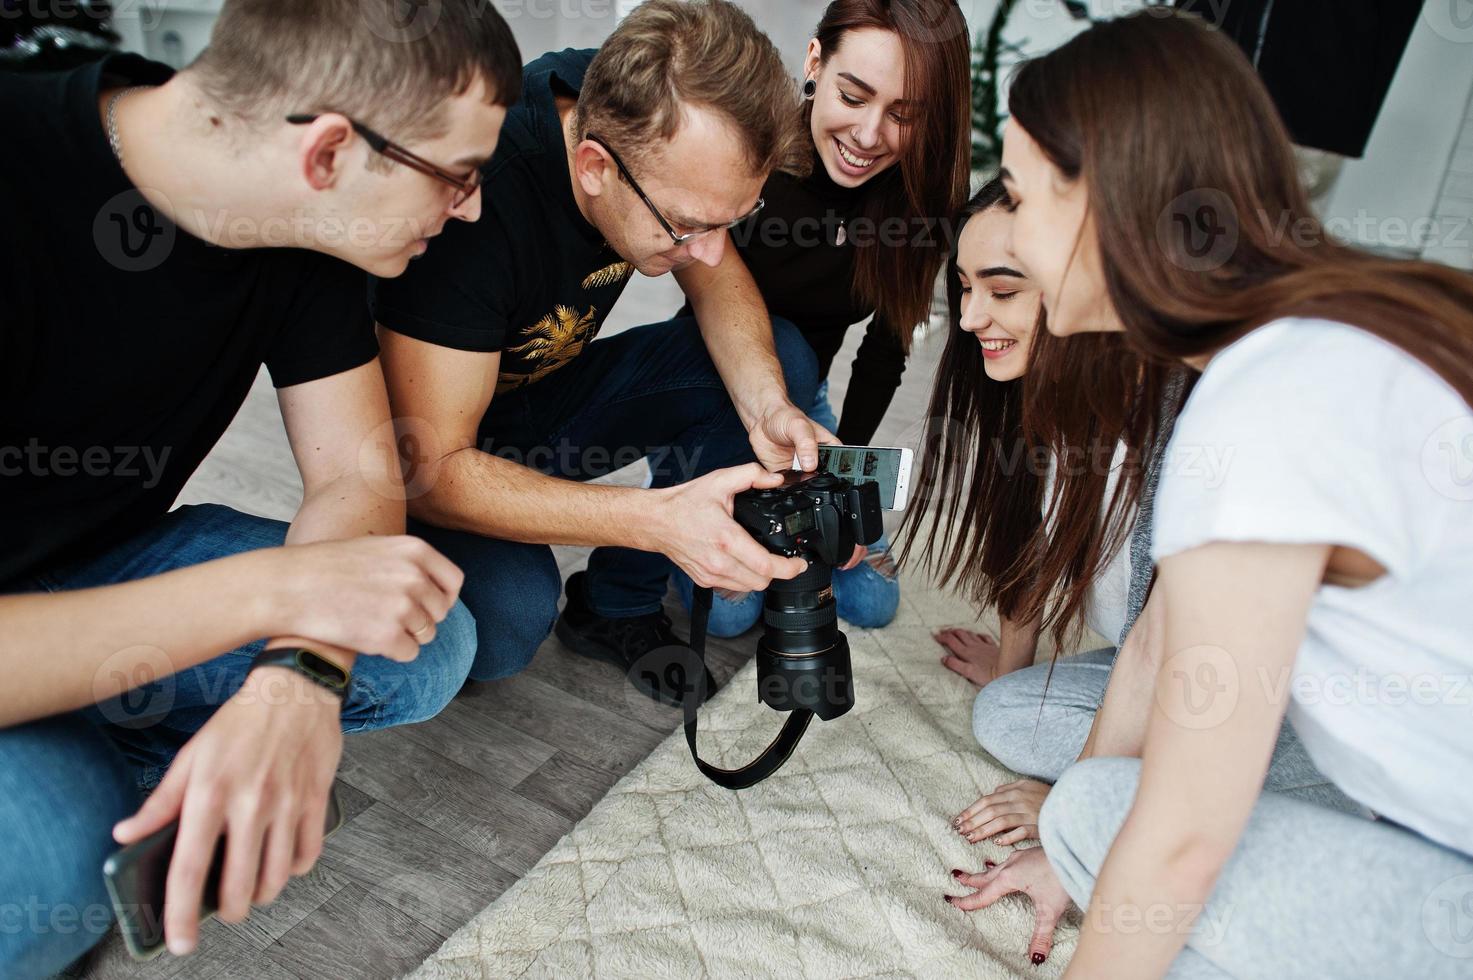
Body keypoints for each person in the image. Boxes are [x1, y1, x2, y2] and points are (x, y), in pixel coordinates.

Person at [945, 12, 1473, 976]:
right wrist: (1069, 851)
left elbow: (1183, 837)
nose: (1011, 231)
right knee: (1092, 819)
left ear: (1107, 203)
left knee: (1136, 862)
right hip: (1429, 818)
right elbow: (1155, 639)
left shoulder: (1263, 402)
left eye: (1020, 197)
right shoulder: (1333, 318)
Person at [0, 2, 522, 973]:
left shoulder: (302, 226)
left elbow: (358, 480)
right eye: (459, 177)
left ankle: (108, 748)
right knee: (53, 862)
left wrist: (299, 677)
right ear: (327, 152)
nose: (474, 209)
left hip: (95, 571)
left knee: (422, 635)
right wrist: (282, 598)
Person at [372, 0, 832, 706]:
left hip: (539, 402)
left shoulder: (634, 106)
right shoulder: (480, 202)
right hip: (430, 449)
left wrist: (768, 406)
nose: (707, 253)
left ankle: (613, 606)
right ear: (594, 167)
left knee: (783, 360)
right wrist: (656, 521)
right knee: (501, 627)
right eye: (685, 225)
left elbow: (717, 283)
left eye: (732, 221)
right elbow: (430, 470)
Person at [667, 0, 972, 636]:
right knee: (728, 618)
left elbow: (885, 348)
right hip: (712, 389)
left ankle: (788, 553)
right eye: (853, 95)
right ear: (814, 62)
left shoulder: (924, 194)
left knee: (871, 604)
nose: (867, 136)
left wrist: (841, 482)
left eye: (903, 115)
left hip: (809, 403)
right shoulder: (755, 152)